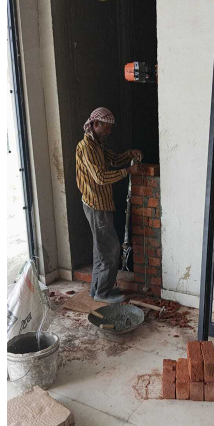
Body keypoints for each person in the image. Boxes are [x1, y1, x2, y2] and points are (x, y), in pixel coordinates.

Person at [76, 107, 144, 303]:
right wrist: (128, 171)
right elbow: (99, 177)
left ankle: (96, 291)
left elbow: (113, 159)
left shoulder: (97, 144)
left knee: (101, 250)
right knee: (111, 250)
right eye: (106, 127)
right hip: (96, 205)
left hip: (101, 204)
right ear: (95, 124)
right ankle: (103, 293)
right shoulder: (86, 147)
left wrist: (129, 153)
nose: (109, 131)